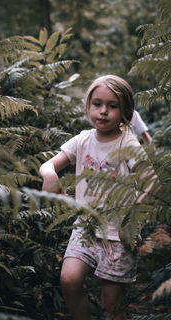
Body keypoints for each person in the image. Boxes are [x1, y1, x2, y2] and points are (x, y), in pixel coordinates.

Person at [39, 75, 143, 320]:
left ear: (125, 110)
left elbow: (151, 184)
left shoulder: (128, 144)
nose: (104, 111)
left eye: (112, 106)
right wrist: (50, 174)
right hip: (85, 228)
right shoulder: (83, 139)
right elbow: (48, 164)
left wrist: (133, 218)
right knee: (69, 280)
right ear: (88, 106)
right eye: (97, 104)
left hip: (119, 234)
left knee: (112, 304)